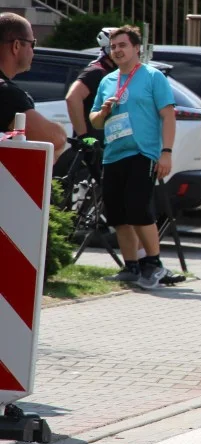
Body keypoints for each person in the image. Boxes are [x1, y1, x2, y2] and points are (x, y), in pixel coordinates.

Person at [89, 26, 176, 289]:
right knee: (117, 215)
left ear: (136, 48)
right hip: (114, 155)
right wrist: (103, 112)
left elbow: (168, 116)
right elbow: (95, 122)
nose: (117, 50)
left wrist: (166, 153)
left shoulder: (152, 77)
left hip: (143, 152)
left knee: (138, 210)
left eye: (122, 45)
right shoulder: (107, 81)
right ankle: (131, 267)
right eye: (113, 47)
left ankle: (154, 264)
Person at [0, 13, 67, 152]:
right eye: (33, 44)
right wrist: (59, 129)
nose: (33, 52)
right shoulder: (6, 93)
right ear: (16, 45)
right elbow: (55, 139)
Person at [66, 27, 117, 140]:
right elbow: (72, 97)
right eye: (115, 47)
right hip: (93, 144)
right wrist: (83, 136)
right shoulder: (96, 71)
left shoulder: (115, 72)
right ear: (108, 49)